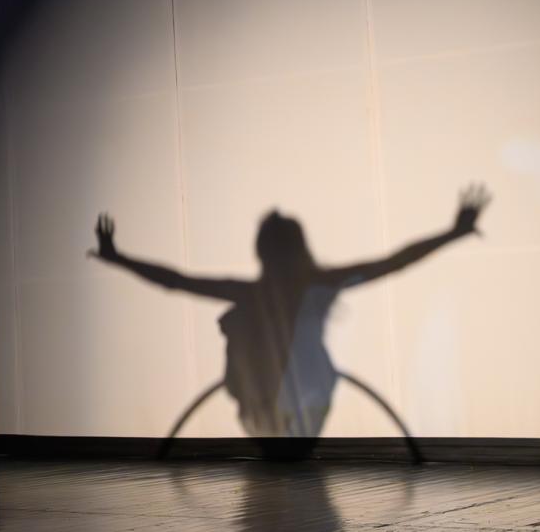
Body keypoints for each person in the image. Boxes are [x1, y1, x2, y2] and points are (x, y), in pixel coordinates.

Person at [89, 183, 490, 441]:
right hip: (294, 396)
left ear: (262, 252)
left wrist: (117, 257)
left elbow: (176, 281)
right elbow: (393, 262)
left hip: (286, 398)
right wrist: (454, 232)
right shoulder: (308, 286)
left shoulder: (265, 293)